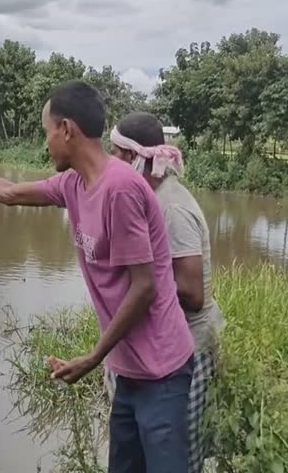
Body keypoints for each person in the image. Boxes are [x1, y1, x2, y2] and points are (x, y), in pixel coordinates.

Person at [0, 81, 194, 472]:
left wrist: (93, 358)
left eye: (47, 132)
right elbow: (11, 193)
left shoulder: (120, 190)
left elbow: (145, 286)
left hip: (163, 371)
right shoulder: (74, 184)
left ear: (66, 130)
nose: (46, 143)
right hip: (130, 370)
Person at [109, 112, 226, 473]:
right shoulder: (147, 196)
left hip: (186, 351)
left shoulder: (170, 206)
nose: (111, 161)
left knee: (175, 458)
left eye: (115, 153)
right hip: (157, 350)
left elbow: (191, 292)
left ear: (134, 158)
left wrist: (133, 289)